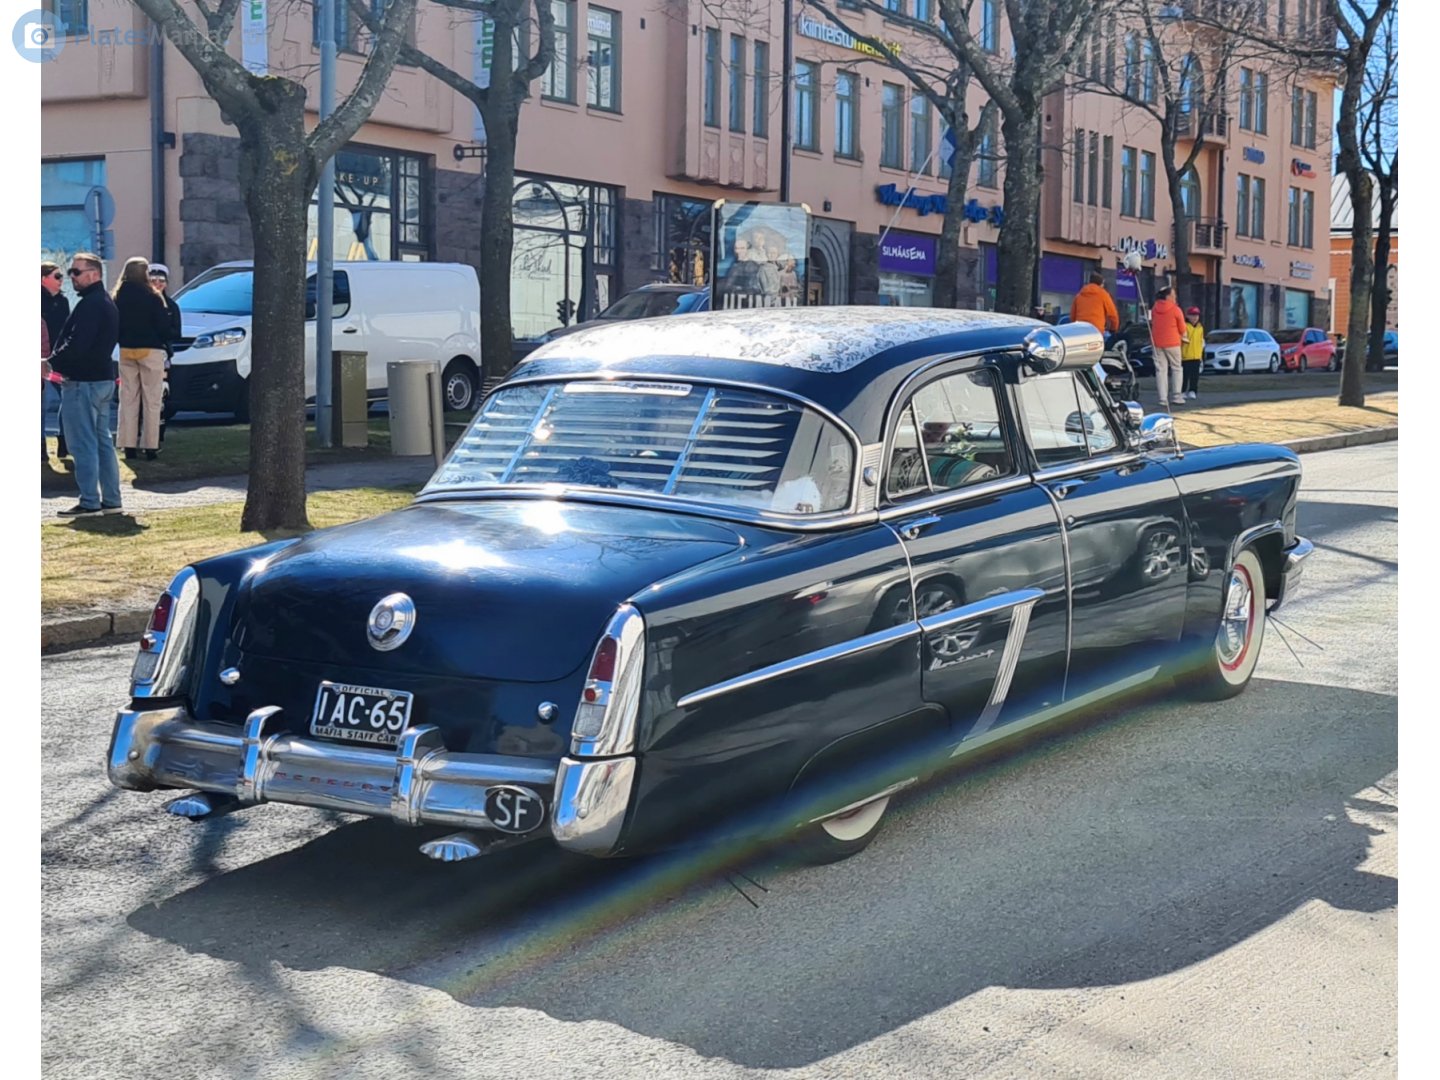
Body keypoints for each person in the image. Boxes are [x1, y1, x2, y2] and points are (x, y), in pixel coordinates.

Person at [49, 253, 122, 516]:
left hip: (84, 382)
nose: (71, 278)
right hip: (100, 379)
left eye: (75, 272)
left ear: (94, 274)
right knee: (102, 441)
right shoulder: (103, 302)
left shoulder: (92, 304)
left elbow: (78, 345)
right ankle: (111, 500)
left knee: (82, 443)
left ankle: (90, 500)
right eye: (70, 272)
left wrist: (51, 362)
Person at [113, 256, 171, 461]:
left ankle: (127, 444)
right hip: (150, 349)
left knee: (128, 398)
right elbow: (164, 326)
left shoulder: (118, 296)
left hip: (126, 349)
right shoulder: (153, 296)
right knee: (152, 399)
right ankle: (150, 445)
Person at [148, 262, 182, 446]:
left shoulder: (171, 306)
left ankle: (158, 434)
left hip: (163, 356)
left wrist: (163, 333)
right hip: (144, 354)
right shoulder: (143, 304)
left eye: (161, 280)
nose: (158, 284)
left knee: (161, 397)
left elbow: (177, 332)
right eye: (153, 280)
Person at [42, 261, 70, 460]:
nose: (61, 281)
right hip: (39, 356)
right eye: (57, 276)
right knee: (40, 404)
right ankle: (41, 446)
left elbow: (67, 328)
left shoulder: (63, 301)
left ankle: (63, 441)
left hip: (59, 357)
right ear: (43, 279)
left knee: (67, 398)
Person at [1149, 286, 1188, 410]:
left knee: (1161, 370)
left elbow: (1152, 322)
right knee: (1177, 368)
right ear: (1169, 296)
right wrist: (1184, 336)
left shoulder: (1155, 308)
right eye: (1173, 294)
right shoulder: (1176, 309)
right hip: (1173, 343)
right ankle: (1177, 396)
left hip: (1157, 343)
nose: (1175, 296)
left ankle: (1162, 398)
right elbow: (1182, 327)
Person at [1070, 272, 1120, 337]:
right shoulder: (1103, 295)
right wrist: (1113, 329)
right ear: (1100, 284)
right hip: (1096, 332)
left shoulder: (1079, 295)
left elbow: (1072, 316)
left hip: (1080, 331)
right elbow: (1113, 315)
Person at [1181, 306, 1205, 400]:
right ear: (1188, 316)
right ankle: (1182, 391)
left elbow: (1201, 341)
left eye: (1196, 315)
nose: (1195, 318)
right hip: (1186, 355)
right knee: (1184, 375)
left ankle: (1193, 390)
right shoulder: (1185, 326)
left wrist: (1201, 355)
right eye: (1192, 315)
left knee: (1195, 375)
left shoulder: (1200, 328)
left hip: (1196, 356)